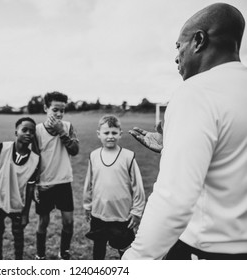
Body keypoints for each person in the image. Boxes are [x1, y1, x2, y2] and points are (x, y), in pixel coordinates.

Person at [124, 3, 247, 259]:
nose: (176, 57)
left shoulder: (196, 92)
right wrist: (172, 150)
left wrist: (137, 259)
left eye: (179, 46)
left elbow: (175, 199)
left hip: (207, 252)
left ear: (199, 40)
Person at [83, 115, 145, 260]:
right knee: (98, 246)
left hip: (121, 215)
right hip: (99, 213)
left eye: (114, 133)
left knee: (125, 249)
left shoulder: (128, 157)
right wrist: (87, 205)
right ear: (99, 134)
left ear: (120, 134)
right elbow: (89, 183)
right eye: (106, 133)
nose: (110, 136)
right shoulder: (94, 156)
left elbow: (138, 187)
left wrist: (137, 211)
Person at [34, 91, 79, 260]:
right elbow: (33, 160)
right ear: (46, 108)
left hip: (64, 182)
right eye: (55, 110)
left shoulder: (68, 127)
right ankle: (40, 255)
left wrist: (62, 132)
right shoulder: (37, 130)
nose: (59, 114)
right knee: (43, 223)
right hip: (44, 184)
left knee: (68, 221)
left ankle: (64, 252)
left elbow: (74, 151)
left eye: (62, 110)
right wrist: (35, 185)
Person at [0, 117, 39, 260]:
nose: (28, 133)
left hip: (18, 204)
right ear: (16, 132)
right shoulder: (2, 148)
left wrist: (26, 213)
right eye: (24, 130)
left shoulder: (35, 159)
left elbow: (30, 189)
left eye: (32, 131)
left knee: (18, 236)